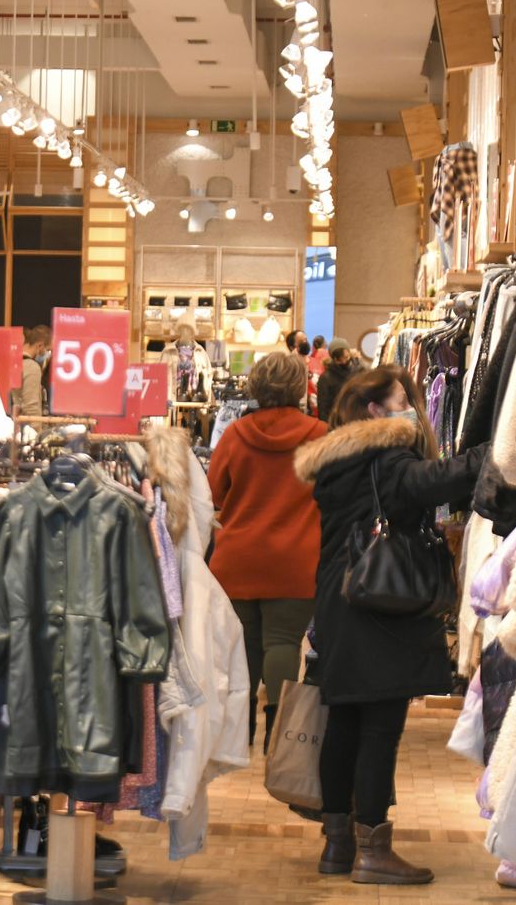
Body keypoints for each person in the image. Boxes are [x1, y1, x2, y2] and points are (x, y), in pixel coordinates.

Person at [292, 366, 484, 885]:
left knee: (346, 723)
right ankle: (373, 849)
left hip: (339, 598)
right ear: (375, 411)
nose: (410, 408)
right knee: (380, 729)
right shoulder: (386, 457)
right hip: (377, 609)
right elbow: (429, 482)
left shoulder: (339, 460)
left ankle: (337, 846)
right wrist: (490, 454)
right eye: (402, 398)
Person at [207, 353, 327, 749]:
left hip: (237, 559)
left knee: (243, 646)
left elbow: (214, 493)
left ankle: (239, 734)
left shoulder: (235, 435)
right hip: (296, 559)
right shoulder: (320, 434)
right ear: (298, 387)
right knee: (283, 643)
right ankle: (279, 735)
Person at [315, 337, 360, 424]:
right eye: (339, 360)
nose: (343, 362)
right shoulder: (326, 378)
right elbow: (323, 407)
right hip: (336, 423)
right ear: (333, 359)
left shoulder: (361, 370)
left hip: (358, 420)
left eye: (346, 357)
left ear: (349, 353)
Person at [19, 325, 51, 417]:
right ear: (40, 346)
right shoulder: (32, 367)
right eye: (48, 350)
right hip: (27, 428)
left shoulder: (14, 364)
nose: (48, 354)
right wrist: (36, 430)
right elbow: (31, 408)